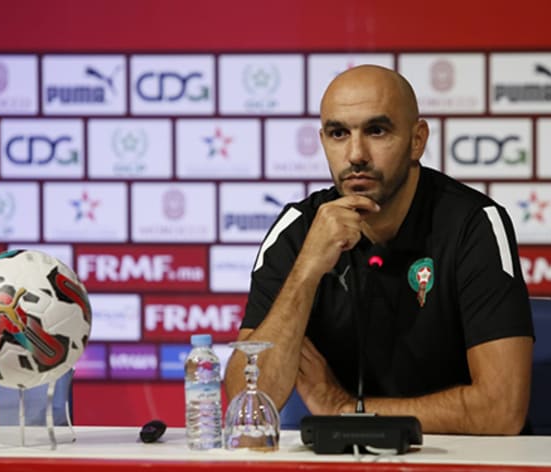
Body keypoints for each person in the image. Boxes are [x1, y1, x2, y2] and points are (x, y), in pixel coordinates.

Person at [224, 64, 534, 435]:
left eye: (377, 130)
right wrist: (307, 268)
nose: (356, 154)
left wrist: (345, 409)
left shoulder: (474, 224)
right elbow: (247, 407)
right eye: (339, 133)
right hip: (337, 460)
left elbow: (502, 411)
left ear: (417, 140)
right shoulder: (297, 230)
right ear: (323, 141)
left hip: (456, 456)